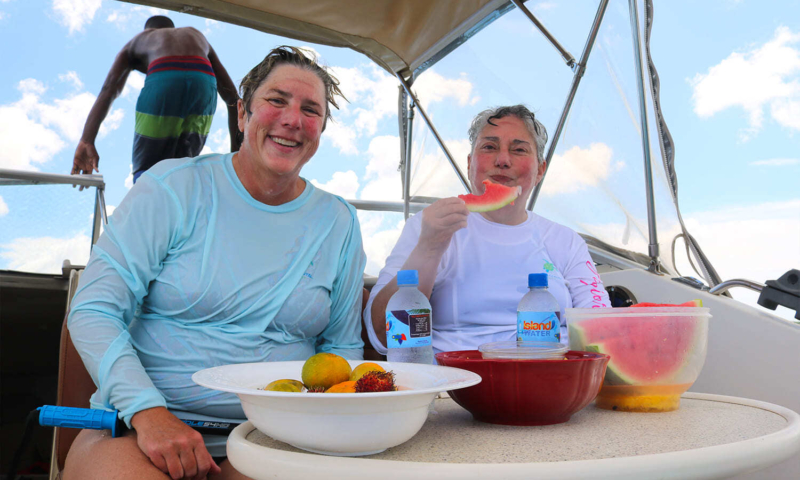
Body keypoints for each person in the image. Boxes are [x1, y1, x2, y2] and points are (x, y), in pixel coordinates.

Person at [64, 46, 366, 480]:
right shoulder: (171, 187)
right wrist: (149, 414)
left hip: (277, 436)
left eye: (310, 110)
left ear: (320, 129)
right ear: (242, 113)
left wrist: (312, 429)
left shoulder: (340, 221)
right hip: (136, 428)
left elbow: (341, 348)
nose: (292, 119)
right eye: (276, 100)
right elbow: (95, 310)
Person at [365, 105, 610, 355]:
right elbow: (383, 336)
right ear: (470, 163)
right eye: (489, 147)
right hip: (453, 376)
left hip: (547, 373)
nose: (502, 160)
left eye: (519, 149)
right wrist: (429, 247)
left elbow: (603, 329)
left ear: (540, 170)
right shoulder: (428, 225)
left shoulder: (566, 241)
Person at [70, 15, 241, 184]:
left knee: (147, 173)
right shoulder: (195, 34)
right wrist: (237, 154)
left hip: (164, 75)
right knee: (184, 165)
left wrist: (86, 140)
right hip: (203, 81)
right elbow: (233, 99)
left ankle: (146, 194)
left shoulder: (140, 39)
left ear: (148, 29)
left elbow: (108, 90)